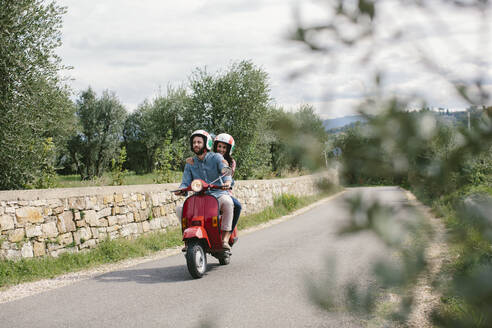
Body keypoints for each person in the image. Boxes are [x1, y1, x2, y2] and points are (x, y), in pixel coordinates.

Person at [175, 130, 234, 250]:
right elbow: (185, 182)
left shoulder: (216, 157)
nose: (196, 144)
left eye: (199, 142)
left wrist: (227, 181)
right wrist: (181, 190)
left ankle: (224, 238)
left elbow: (226, 169)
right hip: (198, 196)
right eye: (194, 142)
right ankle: (188, 240)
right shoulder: (190, 163)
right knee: (180, 208)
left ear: (206, 144)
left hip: (217, 194)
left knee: (228, 202)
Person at [186, 133, 242, 230]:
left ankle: (229, 231)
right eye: (219, 146)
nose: (221, 149)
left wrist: (228, 183)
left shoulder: (231, 162)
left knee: (237, 206)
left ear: (229, 149)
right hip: (206, 191)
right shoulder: (211, 158)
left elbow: (228, 176)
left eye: (224, 147)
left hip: (223, 191)